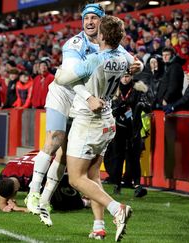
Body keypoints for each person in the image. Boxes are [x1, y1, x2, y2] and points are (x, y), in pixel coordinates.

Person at [24, 3, 142, 232]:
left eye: (94, 18)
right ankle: (34, 193)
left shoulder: (104, 52)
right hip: (72, 97)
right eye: (86, 18)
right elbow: (68, 82)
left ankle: (95, 219)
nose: (89, 22)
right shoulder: (76, 44)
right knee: (56, 140)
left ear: (103, 24)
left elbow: (66, 77)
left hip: (89, 108)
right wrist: (89, 95)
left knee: (78, 169)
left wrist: (136, 66)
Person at [54, 15, 134, 242]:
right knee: (92, 174)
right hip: (107, 119)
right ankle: (99, 226)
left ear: (101, 35)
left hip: (89, 120)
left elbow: (64, 79)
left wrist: (60, 72)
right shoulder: (122, 57)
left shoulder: (95, 59)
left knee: (76, 179)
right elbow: (134, 63)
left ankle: (117, 209)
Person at [104, 72, 151, 197]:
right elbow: (108, 111)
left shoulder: (138, 89)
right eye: (123, 76)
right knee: (118, 158)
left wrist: (142, 105)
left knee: (134, 158)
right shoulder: (113, 90)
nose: (125, 78)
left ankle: (138, 186)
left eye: (128, 76)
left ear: (131, 77)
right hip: (118, 129)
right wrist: (117, 110)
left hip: (134, 129)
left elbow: (149, 107)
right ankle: (117, 184)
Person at [0, 150, 88, 213]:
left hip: (57, 163)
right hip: (38, 153)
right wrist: (5, 207)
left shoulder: (33, 177)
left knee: (61, 204)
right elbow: (2, 203)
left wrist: (17, 208)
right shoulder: (4, 175)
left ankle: (86, 201)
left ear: (16, 189)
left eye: (11, 196)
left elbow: (36, 208)